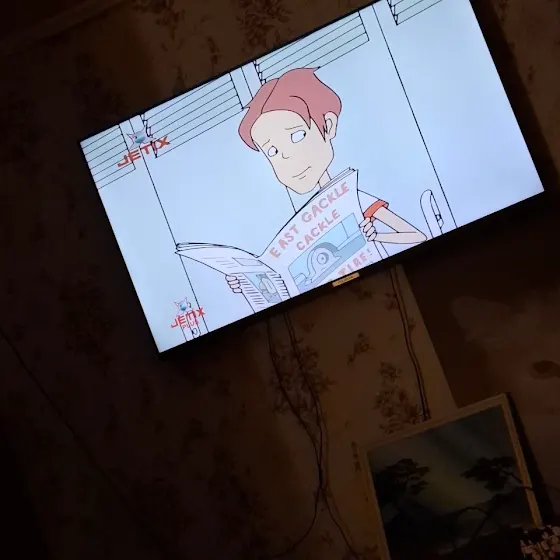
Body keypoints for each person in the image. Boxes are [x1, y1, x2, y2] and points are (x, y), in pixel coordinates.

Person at [227, 68, 426, 294]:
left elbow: (417, 236)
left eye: (297, 135)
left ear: (328, 125)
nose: (287, 157)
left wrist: (376, 236)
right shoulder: (296, 229)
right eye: (272, 151)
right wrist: (247, 284)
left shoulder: (354, 200)